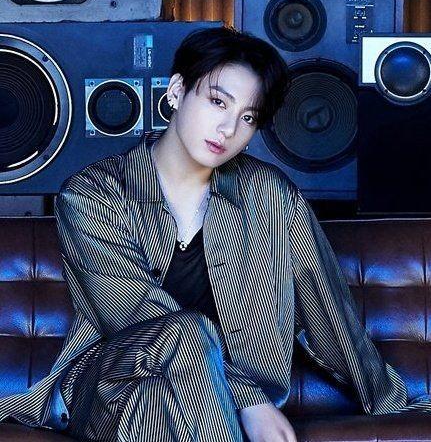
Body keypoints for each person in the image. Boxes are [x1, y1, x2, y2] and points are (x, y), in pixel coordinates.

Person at [1, 25, 431, 442]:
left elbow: (328, 310)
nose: (229, 129)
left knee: (161, 403)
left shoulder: (271, 195)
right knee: (185, 333)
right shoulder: (92, 194)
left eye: (248, 117)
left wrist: (394, 403)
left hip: (181, 408)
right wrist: (249, 398)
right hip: (109, 386)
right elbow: (136, 316)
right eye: (217, 102)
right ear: (176, 91)